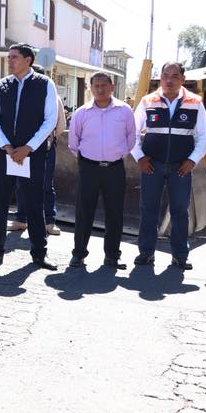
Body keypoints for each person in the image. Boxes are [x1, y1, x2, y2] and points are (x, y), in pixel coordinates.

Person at [0, 43, 59, 269]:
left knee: (34, 203)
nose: (10, 61)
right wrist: (6, 146)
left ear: (28, 60)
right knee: (0, 202)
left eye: (14, 57)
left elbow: (50, 120)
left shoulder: (45, 84)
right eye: (9, 57)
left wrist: (28, 148)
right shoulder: (2, 85)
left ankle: (39, 253)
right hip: (4, 154)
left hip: (32, 155)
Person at [132, 61, 206, 270]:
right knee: (148, 210)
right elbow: (131, 132)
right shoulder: (148, 100)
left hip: (180, 167)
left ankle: (180, 255)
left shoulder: (195, 102)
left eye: (174, 76)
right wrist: (140, 157)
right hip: (152, 166)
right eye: (165, 75)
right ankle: (146, 253)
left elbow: (204, 135)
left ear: (182, 79)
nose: (169, 79)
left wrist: (192, 160)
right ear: (160, 77)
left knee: (179, 211)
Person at [67, 72, 137, 269]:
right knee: (84, 212)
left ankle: (113, 256)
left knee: (115, 213)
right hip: (88, 168)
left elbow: (131, 139)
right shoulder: (81, 113)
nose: (99, 89)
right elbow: (74, 143)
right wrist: (87, 161)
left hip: (115, 169)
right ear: (90, 88)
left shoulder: (124, 111)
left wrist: (118, 154)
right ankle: (79, 254)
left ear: (112, 87)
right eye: (95, 86)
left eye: (103, 85)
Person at [9, 65, 67, 235]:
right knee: (20, 184)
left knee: (46, 185)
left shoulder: (53, 97)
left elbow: (60, 124)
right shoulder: (17, 95)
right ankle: (21, 219)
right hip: (20, 149)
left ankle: (49, 221)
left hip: (45, 148)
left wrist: (48, 138)